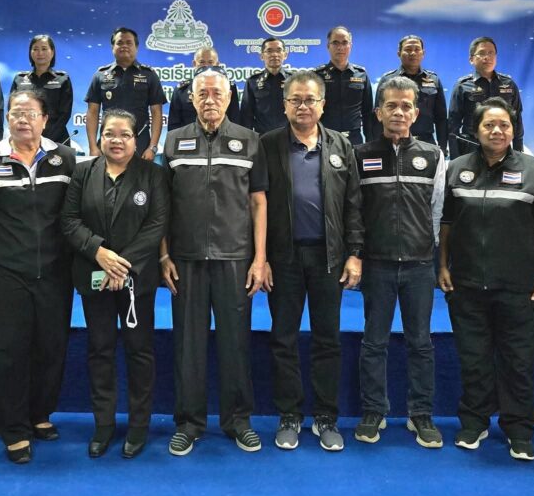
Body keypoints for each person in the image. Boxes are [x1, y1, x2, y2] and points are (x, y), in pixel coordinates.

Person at [438, 97, 534, 461]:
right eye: (489, 125)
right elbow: (446, 224)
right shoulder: (456, 168)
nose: (497, 131)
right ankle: (474, 421)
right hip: (467, 285)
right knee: (473, 359)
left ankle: (519, 428)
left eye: (504, 125)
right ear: (476, 131)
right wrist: (442, 266)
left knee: (518, 361)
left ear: (513, 129)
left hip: (520, 287)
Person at [0, 90, 76, 464]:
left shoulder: (66, 159)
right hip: (6, 274)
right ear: (7, 118)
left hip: (56, 274)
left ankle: (39, 414)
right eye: (15, 113)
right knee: (7, 353)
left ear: (45, 119)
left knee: (51, 348)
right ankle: (14, 429)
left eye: (30, 113)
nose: (22, 119)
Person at [161, 68, 268, 456]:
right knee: (187, 346)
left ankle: (238, 420)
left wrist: (260, 258)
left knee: (235, 344)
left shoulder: (250, 140)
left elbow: (258, 202)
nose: (210, 100)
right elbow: (162, 205)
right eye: (202, 93)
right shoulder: (173, 141)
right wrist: (164, 254)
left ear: (229, 98)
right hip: (185, 260)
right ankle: (189, 423)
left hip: (235, 259)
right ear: (191, 98)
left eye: (217, 93)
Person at [260, 70, 363, 452]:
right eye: (296, 100)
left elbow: (353, 203)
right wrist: (261, 258)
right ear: (284, 104)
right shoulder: (267, 144)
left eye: (310, 100)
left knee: (327, 339)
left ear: (323, 104)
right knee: (283, 338)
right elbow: (256, 205)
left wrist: (354, 253)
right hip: (283, 256)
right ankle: (289, 415)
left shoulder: (341, 144)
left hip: (328, 257)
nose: (303, 106)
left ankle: (325, 417)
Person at [62, 109, 169, 460]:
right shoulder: (83, 171)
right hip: (94, 276)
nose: (116, 140)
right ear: (99, 137)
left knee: (139, 351)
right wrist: (99, 253)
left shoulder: (152, 174)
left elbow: (157, 224)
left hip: (136, 279)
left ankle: (138, 426)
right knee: (100, 350)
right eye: (109, 133)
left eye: (124, 134)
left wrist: (121, 265)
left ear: (135, 140)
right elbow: (69, 220)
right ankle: (104, 424)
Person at [353, 76, 446, 449]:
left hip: (420, 267)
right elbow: (354, 211)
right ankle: (373, 411)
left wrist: (429, 251)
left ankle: (420, 414)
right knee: (373, 342)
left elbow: (438, 211)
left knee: (420, 343)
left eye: (406, 106)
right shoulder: (360, 155)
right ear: (378, 112)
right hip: (376, 265)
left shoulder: (433, 156)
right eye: (391, 105)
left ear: (416, 113)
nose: (398, 112)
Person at [84, 27, 166, 158]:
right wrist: (93, 146)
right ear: (113, 47)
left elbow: (157, 112)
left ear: (136, 47)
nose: (124, 46)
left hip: (140, 143)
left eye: (129, 43)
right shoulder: (100, 75)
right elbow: (92, 112)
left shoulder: (149, 75)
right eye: (120, 43)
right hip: (109, 142)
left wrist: (152, 147)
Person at [447, 37, 524, 157]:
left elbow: (517, 118)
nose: (487, 57)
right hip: (472, 146)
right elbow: (453, 123)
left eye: (491, 53)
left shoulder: (509, 84)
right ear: (471, 59)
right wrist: (455, 157)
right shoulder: (462, 86)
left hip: (501, 144)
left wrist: (518, 151)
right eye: (482, 53)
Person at [376, 35, 448, 153]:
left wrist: (443, 148)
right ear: (399, 53)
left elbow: (441, 118)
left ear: (423, 53)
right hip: (394, 142)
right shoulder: (388, 80)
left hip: (426, 143)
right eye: (408, 49)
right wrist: (378, 145)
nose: (413, 53)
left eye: (417, 49)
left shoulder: (433, 80)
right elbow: (378, 116)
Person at [313, 26, 373, 145]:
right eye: (335, 43)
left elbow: (368, 112)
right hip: (325, 137)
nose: (340, 47)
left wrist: (370, 142)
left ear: (350, 46)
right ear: (328, 46)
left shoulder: (361, 74)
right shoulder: (317, 76)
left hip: (354, 139)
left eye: (345, 43)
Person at [9, 34, 73, 144]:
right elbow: (13, 110)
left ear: (52, 52)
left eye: (44, 49)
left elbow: (64, 114)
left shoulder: (62, 79)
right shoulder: (19, 79)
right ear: (30, 52)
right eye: (35, 49)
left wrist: (45, 139)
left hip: (56, 139)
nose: (40, 53)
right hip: (25, 137)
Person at [167, 46, 239, 131]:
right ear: (194, 64)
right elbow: (174, 125)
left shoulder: (229, 88)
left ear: (217, 64)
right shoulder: (181, 90)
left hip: (222, 137)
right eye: (202, 62)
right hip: (189, 137)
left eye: (210, 62)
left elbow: (235, 121)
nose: (206, 66)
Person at [241, 37, 292, 134]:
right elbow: (246, 116)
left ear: (285, 55)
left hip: (290, 137)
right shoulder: (252, 82)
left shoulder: (294, 81)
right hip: (262, 138)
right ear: (261, 56)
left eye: (279, 50)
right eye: (269, 51)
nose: (274, 54)